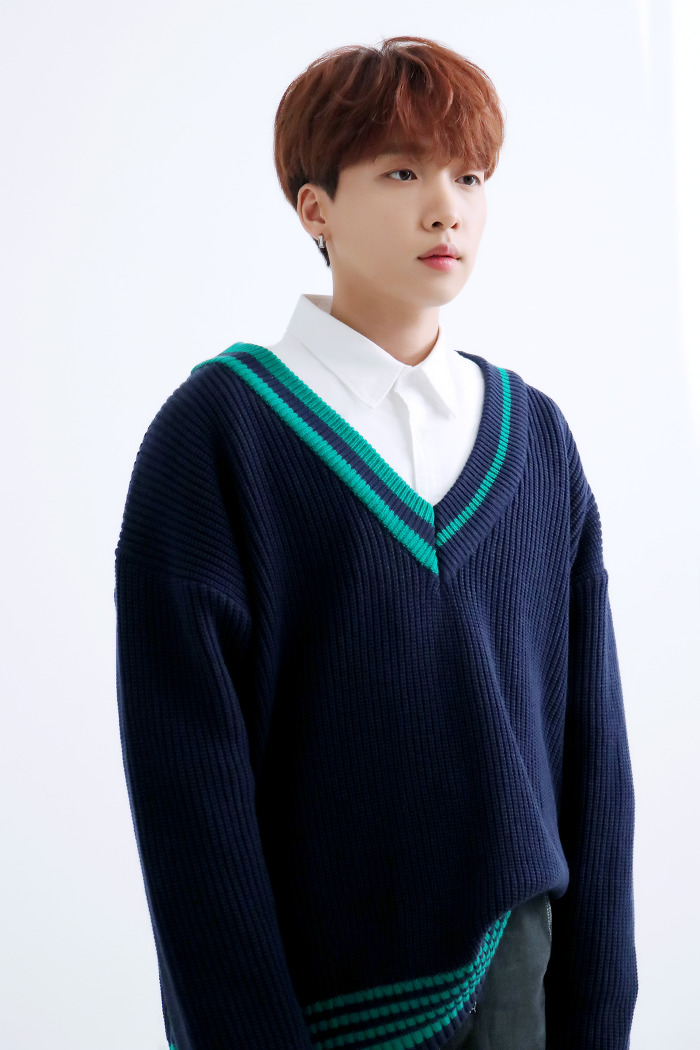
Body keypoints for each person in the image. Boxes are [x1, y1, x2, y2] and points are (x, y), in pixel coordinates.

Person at [115, 34, 637, 1050]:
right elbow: (189, 798)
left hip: (522, 985)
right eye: (402, 173)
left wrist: (596, 1013)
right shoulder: (219, 437)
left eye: (469, 177)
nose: (446, 208)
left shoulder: (534, 439)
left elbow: (594, 761)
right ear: (314, 207)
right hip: (316, 1005)